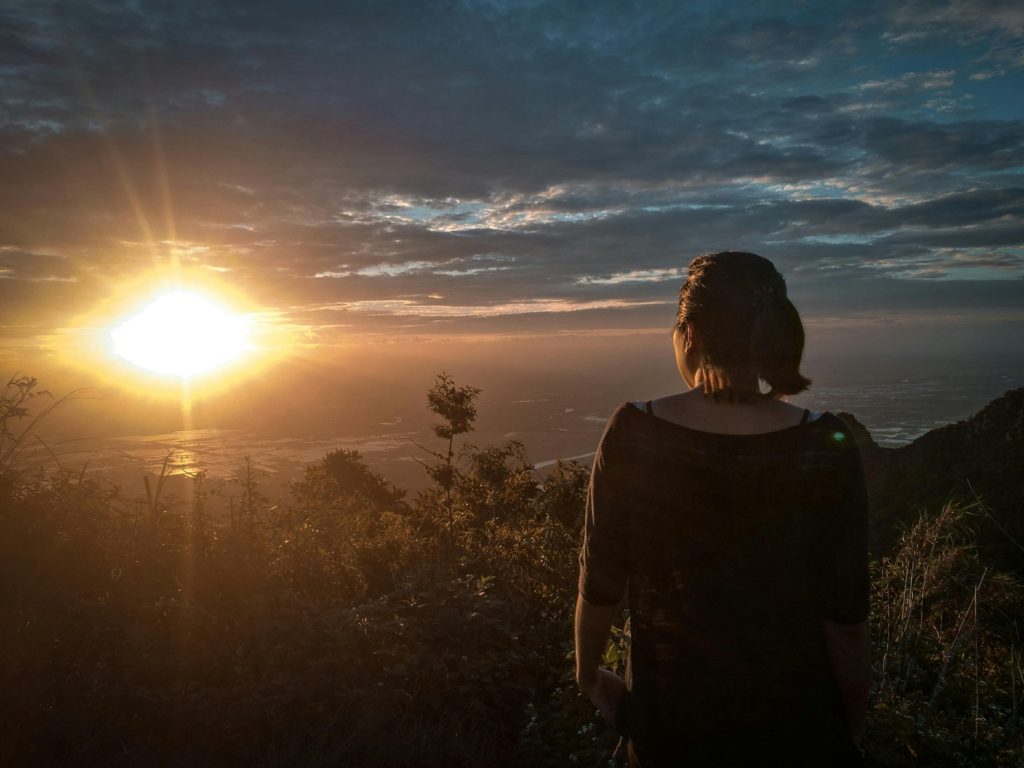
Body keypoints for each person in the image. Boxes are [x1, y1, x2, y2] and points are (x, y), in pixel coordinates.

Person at [574, 251, 870, 767]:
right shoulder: (824, 445)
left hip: (671, 730)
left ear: (689, 334)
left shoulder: (634, 434)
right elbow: (845, 612)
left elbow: (600, 581)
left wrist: (588, 676)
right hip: (799, 728)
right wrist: (854, 726)